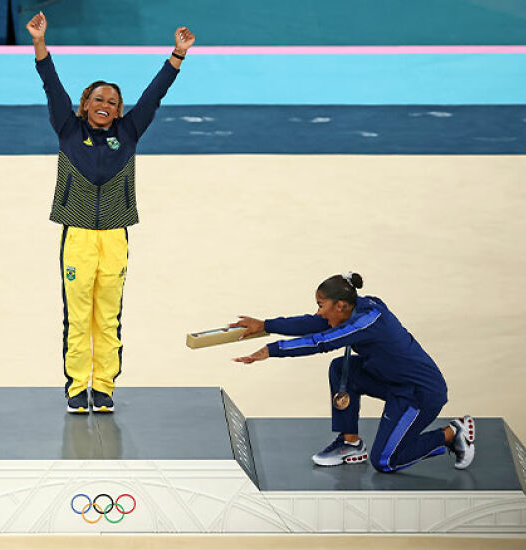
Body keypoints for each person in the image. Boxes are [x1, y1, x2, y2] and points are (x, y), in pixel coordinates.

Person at [26, 11, 195, 414]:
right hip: (78, 237)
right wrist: (39, 43)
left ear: (119, 112)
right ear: (84, 104)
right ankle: (74, 387)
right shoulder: (67, 128)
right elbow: (51, 86)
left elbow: (154, 95)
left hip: (116, 235)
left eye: (112, 102)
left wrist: (177, 55)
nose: (105, 105)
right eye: (98, 99)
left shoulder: (129, 132)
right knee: (78, 315)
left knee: (108, 317)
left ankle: (102, 388)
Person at [230, 272, 476, 472]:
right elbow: (313, 323)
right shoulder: (350, 309)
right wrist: (266, 325)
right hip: (390, 380)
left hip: (419, 394)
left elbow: (320, 342)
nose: (318, 311)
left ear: (340, 305)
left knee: (385, 461)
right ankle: (350, 444)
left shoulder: (368, 321)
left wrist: (272, 350)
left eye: (320, 305)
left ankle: (453, 433)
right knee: (341, 368)